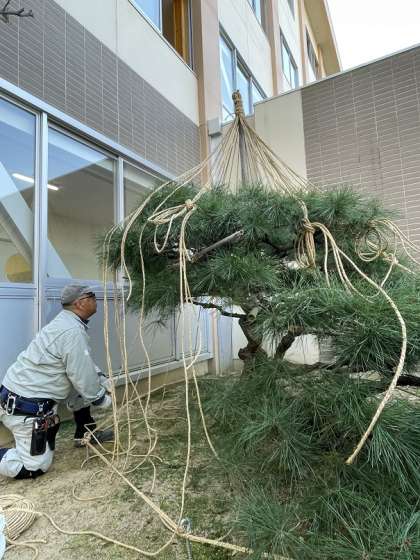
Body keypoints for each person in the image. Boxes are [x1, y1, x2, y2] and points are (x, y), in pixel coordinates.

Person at [0, 284, 113, 479]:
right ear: (79, 303)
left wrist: (100, 378)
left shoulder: (66, 322)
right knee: (35, 467)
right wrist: (102, 399)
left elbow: (79, 362)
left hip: (23, 396)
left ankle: (84, 430)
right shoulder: (71, 331)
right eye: (92, 296)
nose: (96, 299)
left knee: (87, 383)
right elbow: (82, 374)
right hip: (25, 407)